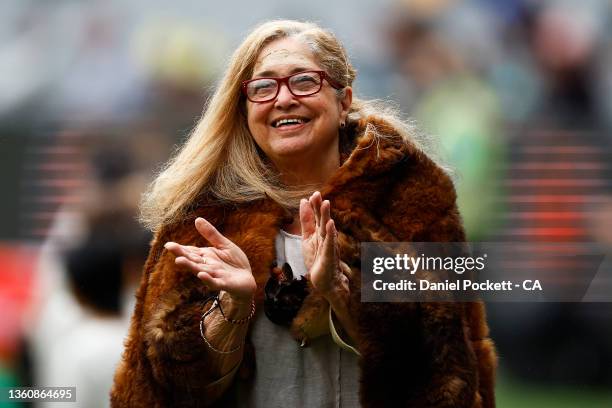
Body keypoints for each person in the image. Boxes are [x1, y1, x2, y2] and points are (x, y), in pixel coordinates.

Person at [111, 20, 496, 407]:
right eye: (263, 87)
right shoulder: (204, 216)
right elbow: (163, 385)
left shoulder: (409, 199)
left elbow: (444, 366)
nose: (283, 99)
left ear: (343, 99)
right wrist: (233, 305)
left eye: (304, 81)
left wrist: (341, 291)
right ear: (243, 108)